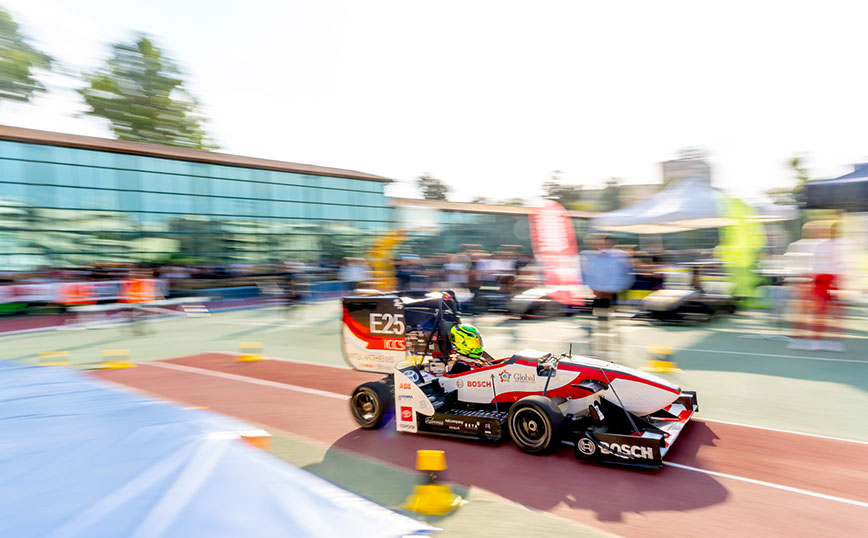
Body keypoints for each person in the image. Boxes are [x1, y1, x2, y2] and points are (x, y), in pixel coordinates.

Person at [581, 234, 634, 355]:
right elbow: (591, 275)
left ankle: (616, 346)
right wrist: (594, 288)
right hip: (601, 295)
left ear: (612, 243)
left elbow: (626, 276)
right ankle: (601, 347)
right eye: (602, 243)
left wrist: (614, 290)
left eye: (606, 243)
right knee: (601, 322)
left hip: (615, 294)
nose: (603, 245)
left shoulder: (621, 256)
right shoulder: (597, 257)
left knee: (616, 322)